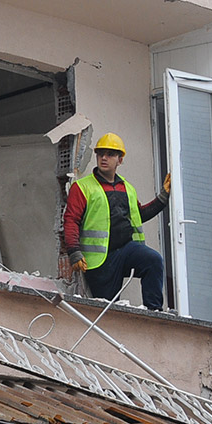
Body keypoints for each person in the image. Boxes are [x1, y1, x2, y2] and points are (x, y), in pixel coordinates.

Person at [63, 132, 171, 311]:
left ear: (120, 160)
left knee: (153, 260)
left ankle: (155, 313)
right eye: (100, 154)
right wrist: (74, 252)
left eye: (110, 154)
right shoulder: (82, 187)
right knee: (107, 310)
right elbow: (71, 220)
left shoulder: (127, 188)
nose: (104, 158)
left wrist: (162, 198)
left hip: (127, 250)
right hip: (99, 260)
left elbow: (139, 214)